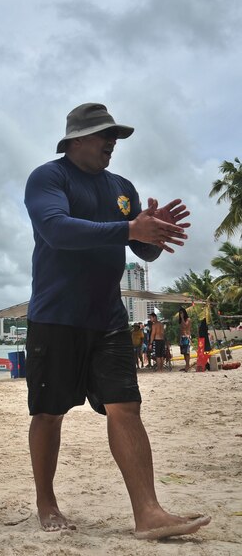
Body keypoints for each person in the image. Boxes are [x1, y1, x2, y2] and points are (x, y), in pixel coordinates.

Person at [24, 102, 209, 538]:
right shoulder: (49, 178)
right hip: (56, 317)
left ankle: (148, 512)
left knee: (126, 407)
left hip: (106, 318)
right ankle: (46, 502)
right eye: (105, 135)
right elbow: (57, 229)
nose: (113, 143)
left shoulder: (121, 186)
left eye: (116, 137)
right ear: (76, 139)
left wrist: (155, 232)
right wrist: (129, 230)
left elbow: (141, 248)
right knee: (49, 413)